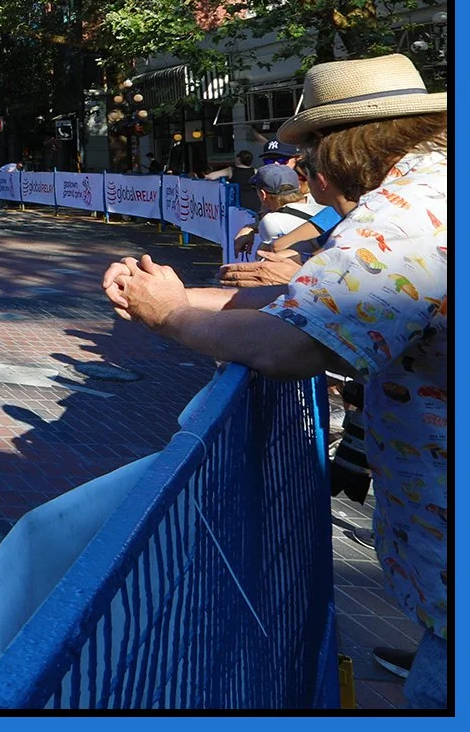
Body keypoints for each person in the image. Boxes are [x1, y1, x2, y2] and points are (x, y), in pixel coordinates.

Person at [101, 54, 447, 710]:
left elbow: (291, 344)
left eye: (309, 159)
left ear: (341, 150)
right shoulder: (431, 193)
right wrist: (174, 296)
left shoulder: (402, 217)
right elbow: (310, 305)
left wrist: (170, 317)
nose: (309, 179)